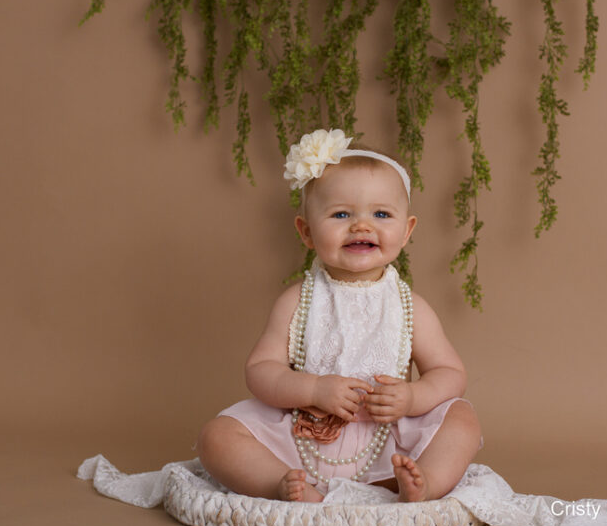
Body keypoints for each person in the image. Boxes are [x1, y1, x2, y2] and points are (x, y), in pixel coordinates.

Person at [196, 128, 482, 503]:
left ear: (407, 230)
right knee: (216, 437)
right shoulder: (297, 300)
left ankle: (423, 481)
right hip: (303, 436)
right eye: (341, 214)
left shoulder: (408, 305)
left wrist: (411, 398)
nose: (362, 226)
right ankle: (281, 484)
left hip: (388, 439)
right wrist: (313, 389)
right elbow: (261, 369)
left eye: (381, 213)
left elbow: (450, 373)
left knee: (461, 418)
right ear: (307, 232)